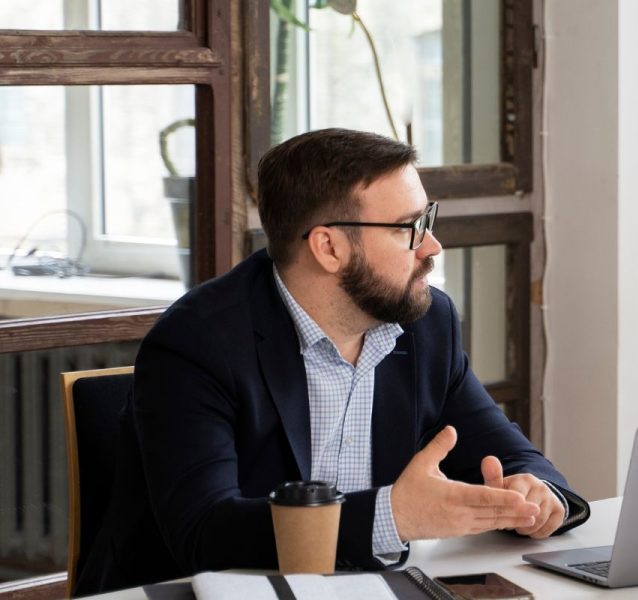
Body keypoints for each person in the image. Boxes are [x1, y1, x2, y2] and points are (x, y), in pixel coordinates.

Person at [76, 129, 589, 595]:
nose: (432, 246)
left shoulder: (426, 324)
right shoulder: (197, 343)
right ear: (328, 247)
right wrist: (390, 517)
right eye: (407, 228)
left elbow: (512, 456)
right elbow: (204, 533)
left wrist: (537, 495)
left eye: (426, 219)